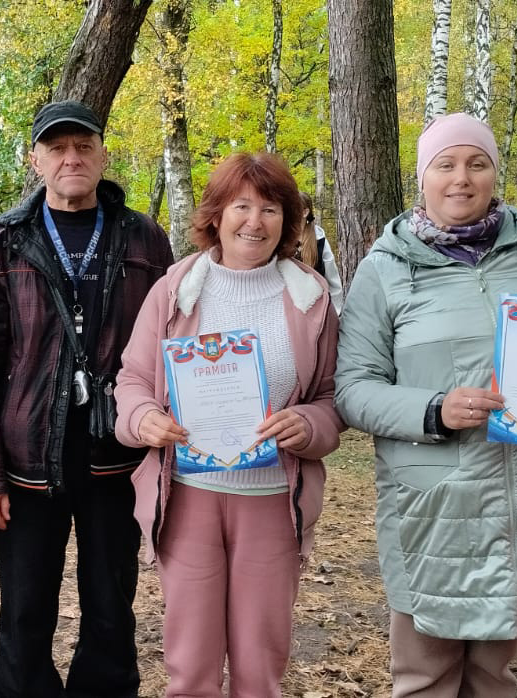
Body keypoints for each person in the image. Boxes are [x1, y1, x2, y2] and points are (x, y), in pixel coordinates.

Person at [334, 112, 517, 697]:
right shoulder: (385, 269)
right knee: (426, 676)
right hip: (431, 503)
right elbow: (353, 389)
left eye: (477, 163)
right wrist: (434, 409)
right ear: (423, 178)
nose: (461, 178)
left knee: (495, 676)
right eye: (446, 165)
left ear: (494, 173)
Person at [0, 99, 174, 697]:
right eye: (57, 148)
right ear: (36, 161)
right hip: (27, 457)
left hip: (118, 453)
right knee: (25, 611)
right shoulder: (2, 242)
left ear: (103, 155)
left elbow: (171, 344)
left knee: (111, 607)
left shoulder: (144, 238)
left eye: (83, 147)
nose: (71, 158)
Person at [114, 153, 344, 696]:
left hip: (272, 499)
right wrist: (144, 419)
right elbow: (132, 379)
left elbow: (334, 397)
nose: (254, 222)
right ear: (215, 215)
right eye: (241, 206)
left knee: (260, 663)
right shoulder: (174, 290)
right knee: (191, 662)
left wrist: (309, 423)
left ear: (288, 221)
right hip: (188, 496)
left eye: (270, 209)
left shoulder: (312, 298)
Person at [297, 192, 345, 313]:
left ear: (305, 212)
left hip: (315, 310)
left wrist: (335, 312)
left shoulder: (319, 241)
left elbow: (333, 280)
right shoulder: (282, 240)